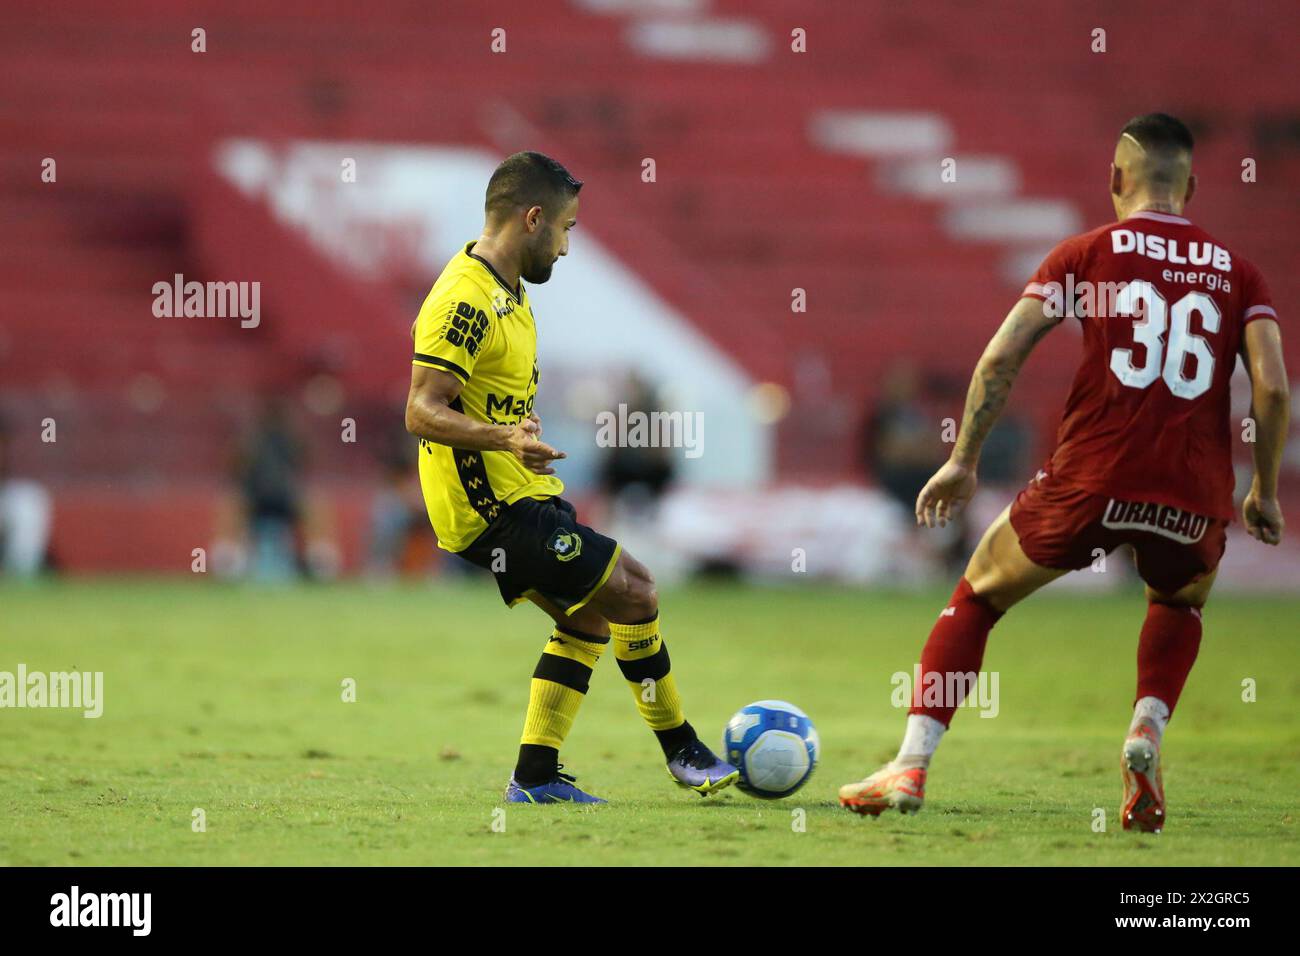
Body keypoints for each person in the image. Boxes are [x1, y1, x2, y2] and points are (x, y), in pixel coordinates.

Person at [838, 114, 1288, 832]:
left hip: (1091, 474)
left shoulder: (1086, 253)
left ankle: (912, 762)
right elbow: (1271, 389)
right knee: (1177, 602)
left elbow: (1003, 354)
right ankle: (1145, 730)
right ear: (1193, 185)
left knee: (979, 595)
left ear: (1116, 179)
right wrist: (1261, 487)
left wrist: (963, 460)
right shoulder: (1239, 271)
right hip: (1192, 491)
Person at [404, 151, 737, 804]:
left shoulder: (507, 287)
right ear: (533, 219)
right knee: (636, 590)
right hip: (489, 510)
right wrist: (501, 437)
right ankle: (684, 752)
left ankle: (534, 778)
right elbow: (421, 408)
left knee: (588, 621)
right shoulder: (463, 301)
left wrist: (513, 439)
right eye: (566, 229)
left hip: (521, 493)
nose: (566, 246)